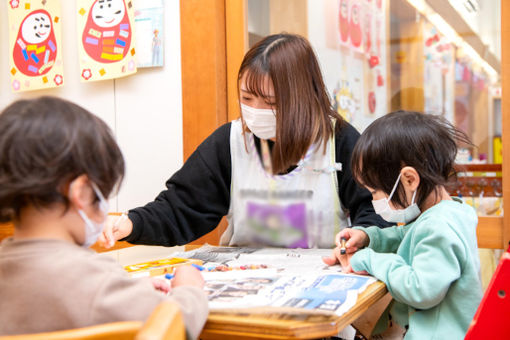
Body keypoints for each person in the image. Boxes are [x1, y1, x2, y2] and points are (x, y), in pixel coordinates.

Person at [101, 33, 391, 250]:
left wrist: (363, 234)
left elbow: (376, 211)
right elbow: (181, 208)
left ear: (302, 98)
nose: (256, 111)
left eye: (271, 102)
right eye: (247, 98)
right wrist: (130, 223)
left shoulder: (340, 141)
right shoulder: (228, 144)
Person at [0, 97, 208, 338]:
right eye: (103, 194)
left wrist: (128, 292)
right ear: (81, 192)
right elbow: (174, 325)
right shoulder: (95, 280)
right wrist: (189, 289)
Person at [323, 111, 482, 339]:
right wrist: (368, 237)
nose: (375, 201)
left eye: (375, 192)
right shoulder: (446, 213)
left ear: (409, 180)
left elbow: (421, 289)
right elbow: (406, 235)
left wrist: (368, 258)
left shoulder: (439, 226)